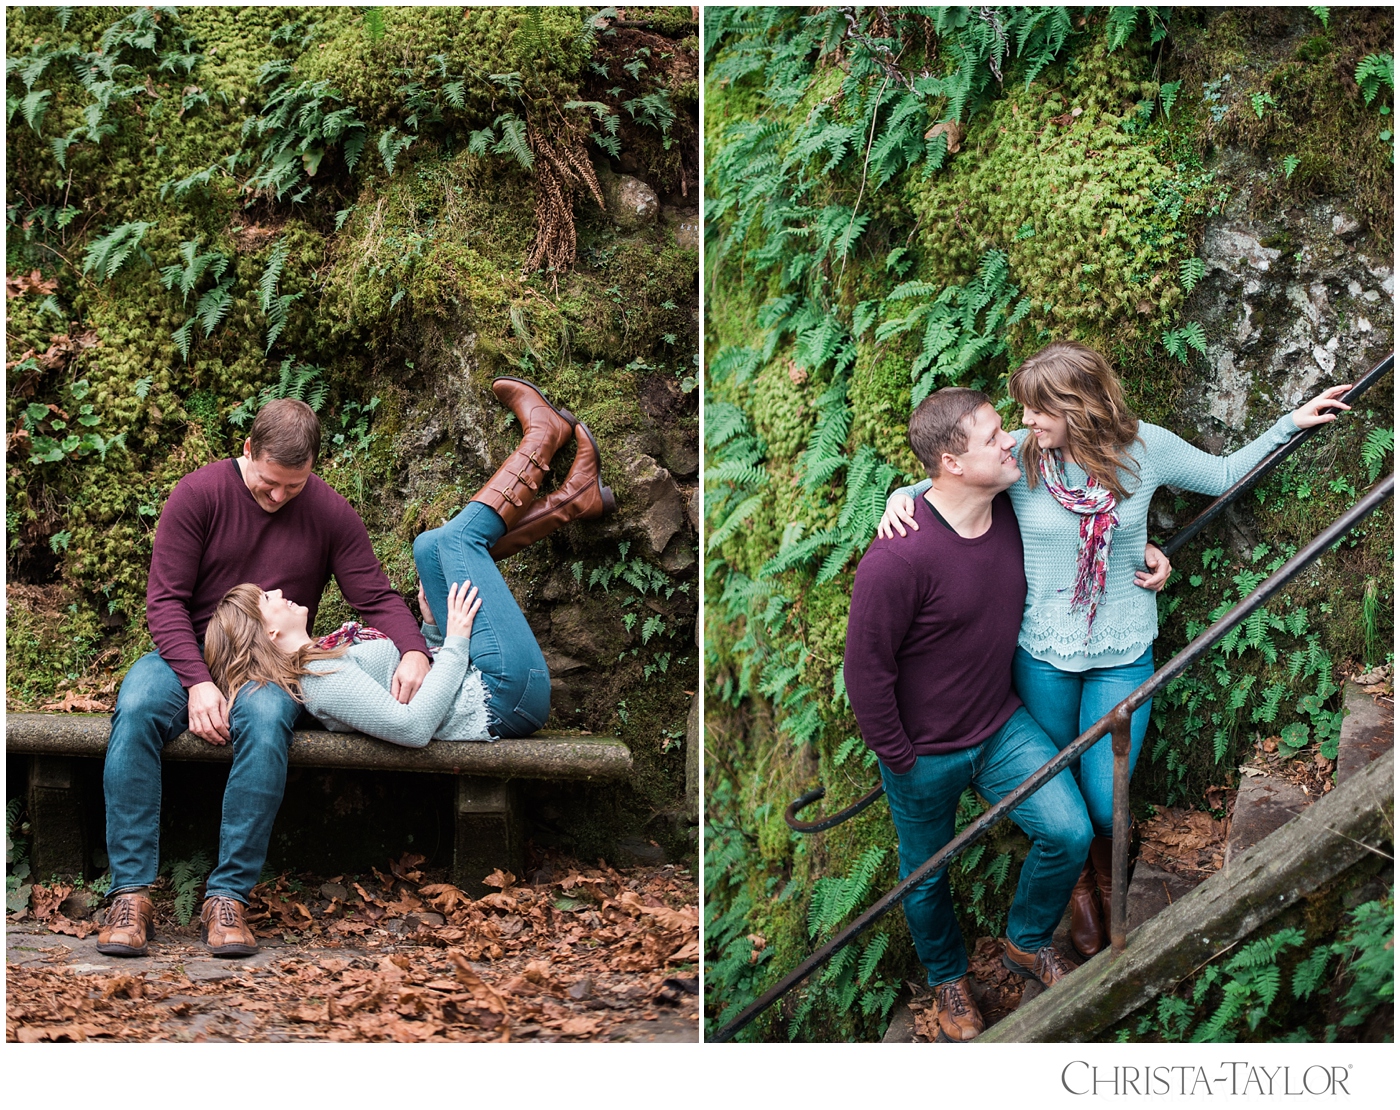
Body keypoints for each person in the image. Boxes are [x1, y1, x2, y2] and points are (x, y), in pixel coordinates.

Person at [877, 340, 1351, 959]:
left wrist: (1290, 423)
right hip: (1042, 653)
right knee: (1058, 794)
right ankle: (1081, 892)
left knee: (1104, 802)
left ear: (1075, 407)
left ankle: (1107, 873)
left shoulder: (1144, 450)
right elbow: (945, 480)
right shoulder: (1023, 460)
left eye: (1036, 411)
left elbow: (1224, 473)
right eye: (1019, 414)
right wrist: (899, 499)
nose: (1024, 423)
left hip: (1122, 650)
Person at [97, 398, 432, 960]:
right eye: (269, 483)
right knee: (135, 708)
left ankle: (227, 897)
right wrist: (199, 681)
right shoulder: (199, 494)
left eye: (293, 488)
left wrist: (415, 651)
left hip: (268, 665)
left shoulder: (329, 512)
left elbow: (372, 595)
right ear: (248, 449)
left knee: (271, 716)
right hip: (190, 655)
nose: (278, 498)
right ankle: (130, 893)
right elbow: (165, 603)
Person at [844, 386, 1094, 1044]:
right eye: (991, 437)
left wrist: (1152, 556)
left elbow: (1101, 500)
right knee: (925, 876)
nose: (1010, 438)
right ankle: (948, 977)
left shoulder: (1012, 502)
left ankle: (1026, 940)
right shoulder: (897, 557)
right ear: (953, 463)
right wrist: (900, 757)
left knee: (1069, 832)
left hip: (1001, 726)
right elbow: (866, 672)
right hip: (922, 752)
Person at [201, 378, 614, 747]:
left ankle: (575, 500)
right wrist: (454, 642)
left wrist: (429, 631)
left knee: (429, 547)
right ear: (270, 631)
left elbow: (409, 683)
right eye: (268, 598)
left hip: (482, 684)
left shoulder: (321, 657)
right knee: (457, 540)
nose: (277, 590)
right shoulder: (319, 683)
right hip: (501, 698)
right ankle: (541, 438)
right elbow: (415, 727)